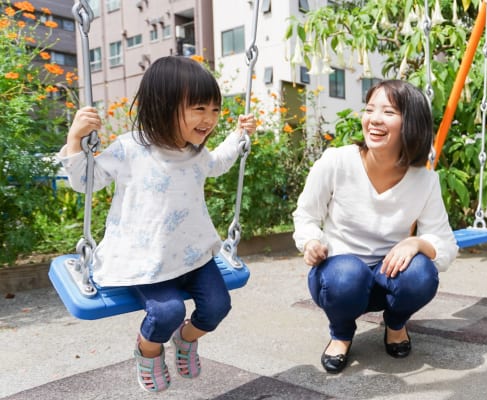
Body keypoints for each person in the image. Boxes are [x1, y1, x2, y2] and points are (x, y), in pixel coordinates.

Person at [57, 56, 256, 392]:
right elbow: (86, 181)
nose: (209, 119)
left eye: (215, 110)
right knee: (166, 312)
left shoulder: (195, 153)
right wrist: (75, 139)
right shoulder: (130, 149)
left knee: (218, 306)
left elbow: (220, 162)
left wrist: (239, 134)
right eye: (199, 109)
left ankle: (185, 339)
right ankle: (148, 352)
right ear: (164, 106)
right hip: (145, 256)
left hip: (193, 253)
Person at [293, 79, 459, 374]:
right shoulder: (336, 161)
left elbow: (445, 245)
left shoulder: (425, 179)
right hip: (338, 279)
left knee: (422, 273)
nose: (374, 119)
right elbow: (305, 216)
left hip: (388, 277)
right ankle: (341, 333)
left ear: (412, 124)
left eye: (389, 112)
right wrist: (310, 242)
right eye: (370, 109)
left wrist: (416, 243)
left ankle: (395, 324)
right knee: (347, 274)